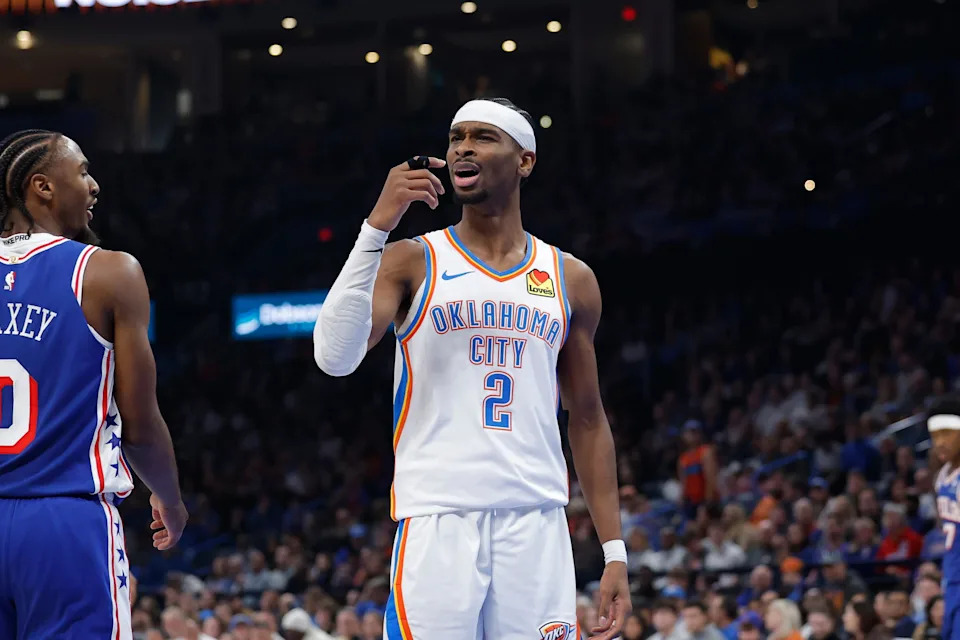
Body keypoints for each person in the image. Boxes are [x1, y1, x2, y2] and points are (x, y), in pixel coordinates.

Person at [312, 98, 630, 638]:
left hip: (537, 520)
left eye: (483, 136)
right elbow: (334, 358)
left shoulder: (570, 278)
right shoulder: (411, 259)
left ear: (524, 160)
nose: (462, 147)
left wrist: (614, 550)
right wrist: (377, 226)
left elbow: (589, 420)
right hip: (439, 517)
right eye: (456, 136)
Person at [0, 129, 186, 638]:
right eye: (82, 171)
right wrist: (169, 499)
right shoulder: (108, 273)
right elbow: (140, 425)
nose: (94, 184)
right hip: (64, 520)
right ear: (42, 186)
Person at [929, 394, 960, 640]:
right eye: (935, 436)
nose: (940, 442)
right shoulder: (942, 476)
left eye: (947, 434)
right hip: (952, 574)